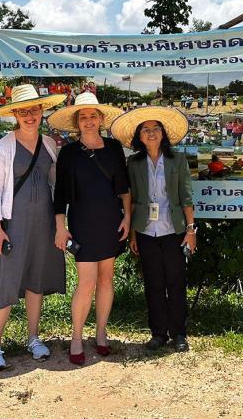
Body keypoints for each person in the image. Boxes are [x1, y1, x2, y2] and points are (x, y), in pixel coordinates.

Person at [0, 85, 67, 371]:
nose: (29, 115)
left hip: (43, 223)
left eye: (34, 109)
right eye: (23, 111)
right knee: (7, 282)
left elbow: (55, 182)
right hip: (13, 224)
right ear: (15, 114)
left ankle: (33, 337)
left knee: (36, 279)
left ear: (42, 111)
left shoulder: (48, 144)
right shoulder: (4, 146)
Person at [48, 93, 129, 366]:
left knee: (107, 278)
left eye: (93, 115)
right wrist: (61, 227)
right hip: (82, 221)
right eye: (83, 116)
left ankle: (102, 332)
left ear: (101, 119)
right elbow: (60, 194)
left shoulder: (114, 147)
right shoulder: (69, 153)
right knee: (87, 281)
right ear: (77, 121)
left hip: (110, 220)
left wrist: (127, 216)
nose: (89, 121)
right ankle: (76, 337)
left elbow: (124, 187)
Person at [110, 107, 195, 352]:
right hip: (146, 232)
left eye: (155, 129)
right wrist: (134, 234)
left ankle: (179, 333)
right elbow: (133, 198)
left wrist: (191, 231)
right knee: (154, 285)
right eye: (145, 130)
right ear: (139, 135)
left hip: (174, 231)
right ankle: (158, 333)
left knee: (176, 283)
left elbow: (186, 197)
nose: (151, 133)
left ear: (163, 133)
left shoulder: (177, 160)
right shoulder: (134, 162)